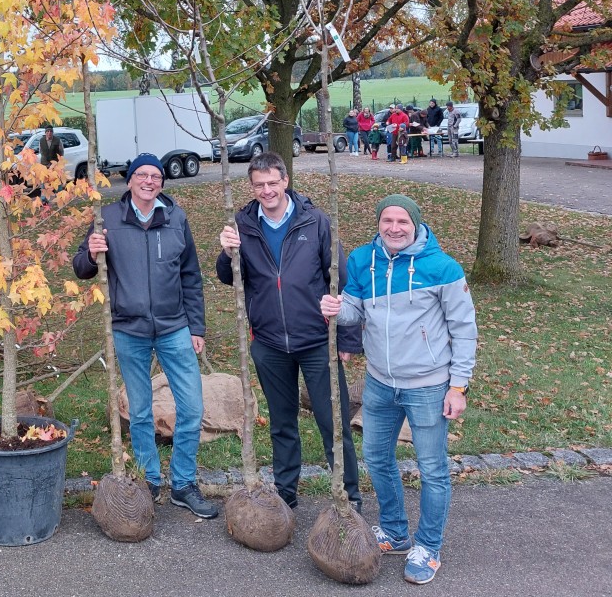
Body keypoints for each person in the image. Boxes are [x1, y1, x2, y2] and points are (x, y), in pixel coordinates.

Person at [320, 195, 477, 585]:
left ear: (416, 224)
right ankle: (394, 530)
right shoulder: (362, 260)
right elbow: (355, 312)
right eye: (387, 220)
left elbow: (464, 331)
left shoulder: (443, 268)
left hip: (428, 386)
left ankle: (428, 546)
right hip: (379, 383)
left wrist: (458, 387)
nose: (394, 228)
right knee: (376, 457)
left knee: (432, 469)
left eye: (402, 221)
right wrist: (336, 308)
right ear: (378, 223)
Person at [73, 153, 218, 519]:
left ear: (162, 183)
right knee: (139, 412)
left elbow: (191, 276)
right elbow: (81, 268)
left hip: (174, 327)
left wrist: (196, 327)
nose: (149, 181)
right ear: (130, 180)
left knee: (192, 408)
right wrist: (91, 253)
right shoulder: (107, 219)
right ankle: (149, 480)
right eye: (142, 175)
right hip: (129, 328)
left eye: (155, 176)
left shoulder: (176, 218)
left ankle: (183, 483)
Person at [215, 153, 362, 512]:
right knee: (282, 423)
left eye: (272, 183)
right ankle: (286, 495)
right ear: (252, 187)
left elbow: (341, 280)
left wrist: (346, 337)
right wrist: (226, 252)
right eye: (259, 185)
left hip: (316, 341)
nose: (266, 190)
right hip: (269, 343)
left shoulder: (316, 221)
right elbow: (228, 276)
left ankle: (349, 497)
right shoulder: (243, 224)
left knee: (334, 423)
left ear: (285, 181)